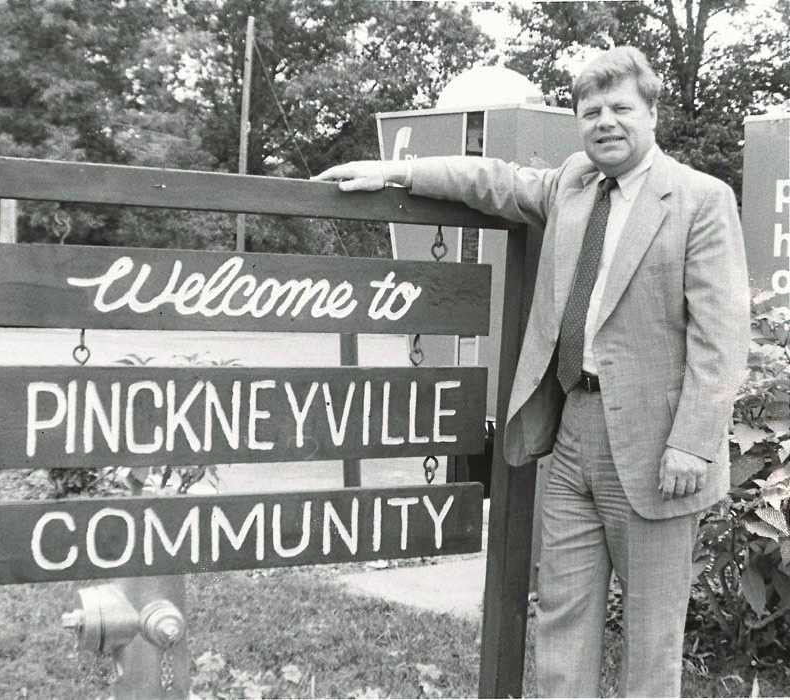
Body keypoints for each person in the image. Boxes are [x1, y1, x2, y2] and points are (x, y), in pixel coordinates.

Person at [314, 46, 749, 697]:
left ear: (652, 113)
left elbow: (722, 338)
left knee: (651, 640)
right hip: (572, 430)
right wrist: (394, 170)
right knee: (562, 618)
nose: (604, 121)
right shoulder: (575, 183)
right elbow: (494, 181)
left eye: (620, 108)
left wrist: (691, 440)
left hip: (659, 447)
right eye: (590, 110)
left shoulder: (700, 200)